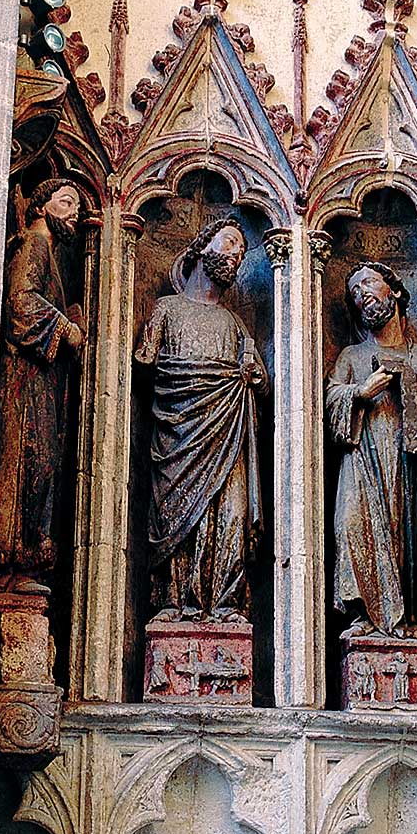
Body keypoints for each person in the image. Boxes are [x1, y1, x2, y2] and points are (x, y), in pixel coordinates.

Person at [135, 216, 269, 619]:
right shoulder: (167, 310)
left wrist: (253, 373)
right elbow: (144, 362)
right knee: (176, 516)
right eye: (227, 243)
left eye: (240, 253)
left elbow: (258, 386)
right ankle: (173, 602)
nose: (233, 256)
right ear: (201, 246)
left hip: (227, 439)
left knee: (233, 514)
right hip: (178, 438)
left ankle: (224, 603)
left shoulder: (234, 324)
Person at [325, 262, 417, 638]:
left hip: (406, 461)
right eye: (354, 292)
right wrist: (359, 393)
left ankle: (409, 619)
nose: (361, 293)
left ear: (394, 290)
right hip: (362, 456)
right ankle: (363, 614)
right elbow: (331, 400)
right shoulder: (351, 357)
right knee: (353, 524)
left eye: (368, 283)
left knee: (404, 529)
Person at [0, 177, 86, 592]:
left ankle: (24, 560)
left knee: (41, 463)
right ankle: (11, 560)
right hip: (25, 383)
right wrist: (64, 327)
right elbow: (19, 304)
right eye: (66, 203)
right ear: (42, 205)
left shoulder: (49, 250)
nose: (74, 214)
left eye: (77, 207)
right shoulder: (35, 243)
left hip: (40, 382)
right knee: (29, 458)